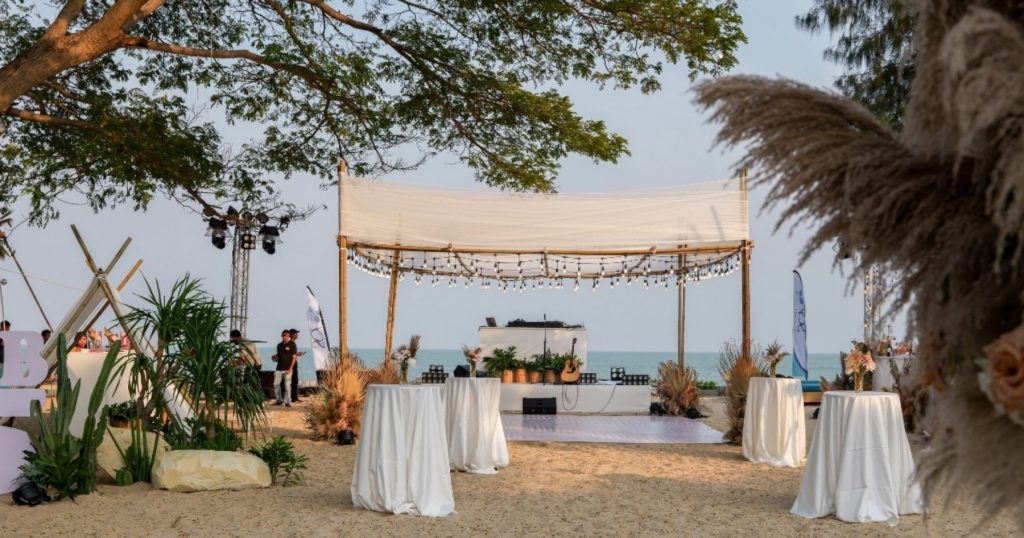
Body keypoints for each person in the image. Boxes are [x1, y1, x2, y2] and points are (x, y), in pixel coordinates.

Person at [274, 329, 297, 406]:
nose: (285, 337)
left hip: (288, 369)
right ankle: (279, 400)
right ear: (282, 336)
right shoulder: (279, 345)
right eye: (284, 335)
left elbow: (294, 357)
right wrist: (275, 358)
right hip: (279, 368)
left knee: (287, 386)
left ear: (289, 336)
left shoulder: (292, 345)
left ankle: (287, 401)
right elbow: (278, 357)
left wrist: (290, 368)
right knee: (276, 384)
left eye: (287, 336)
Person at [288, 328, 305, 403]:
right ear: (292, 334)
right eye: (296, 333)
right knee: (291, 381)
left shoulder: (293, 343)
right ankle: (292, 398)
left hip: (294, 365)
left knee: (295, 381)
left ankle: (295, 398)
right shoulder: (289, 344)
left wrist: (298, 354)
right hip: (290, 365)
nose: (297, 335)